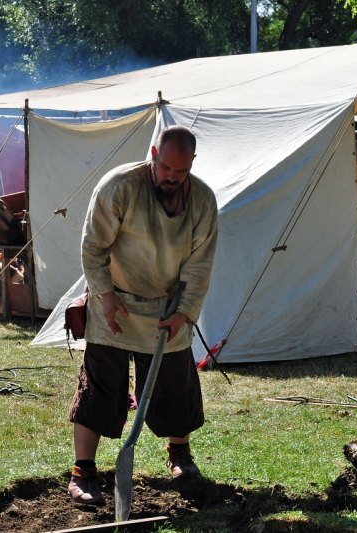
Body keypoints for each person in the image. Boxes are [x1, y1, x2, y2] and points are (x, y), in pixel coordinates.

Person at [67, 125, 218, 505]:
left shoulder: (202, 200)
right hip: (113, 302)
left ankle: (179, 455)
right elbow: (93, 247)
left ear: (192, 165)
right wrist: (104, 295)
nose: (172, 177)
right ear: (153, 155)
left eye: (180, 171)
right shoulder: (118, 186)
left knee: (175, 386)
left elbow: (200, 265)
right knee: (100, 386)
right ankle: (83, 471)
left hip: (168, 309)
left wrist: (184, 312)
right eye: (166, 168)